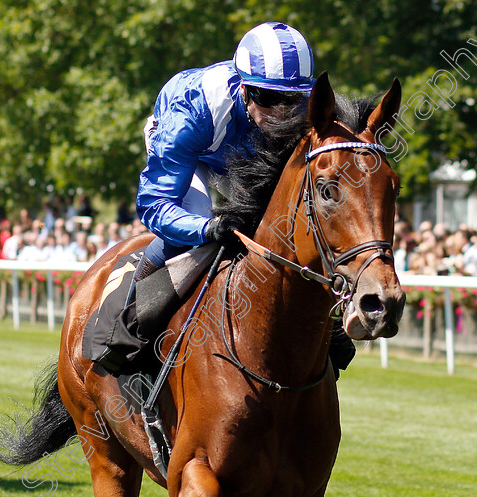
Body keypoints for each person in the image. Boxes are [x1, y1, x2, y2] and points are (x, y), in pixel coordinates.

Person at [95, 22, 361, 374]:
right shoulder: (193, 108)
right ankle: (127, 323)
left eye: (290, 100)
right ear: (245, 89)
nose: (281, 112)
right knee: (195, 238)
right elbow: (155, 206)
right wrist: (208, 228)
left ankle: (323, 320)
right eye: (268, 98)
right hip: (194, 153)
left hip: (244, 159)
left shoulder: (307, 105)